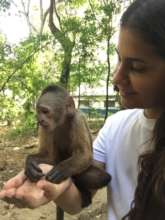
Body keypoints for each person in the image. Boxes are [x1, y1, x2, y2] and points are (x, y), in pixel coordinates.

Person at [1, 0, 165, 219]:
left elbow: (82, 158)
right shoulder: (115, 127)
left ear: (69, 107)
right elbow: (79, 200)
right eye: (118, 58)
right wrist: (56, 187)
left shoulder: (78, 121)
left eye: (136, 67)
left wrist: (65, 170)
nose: (115, 78)